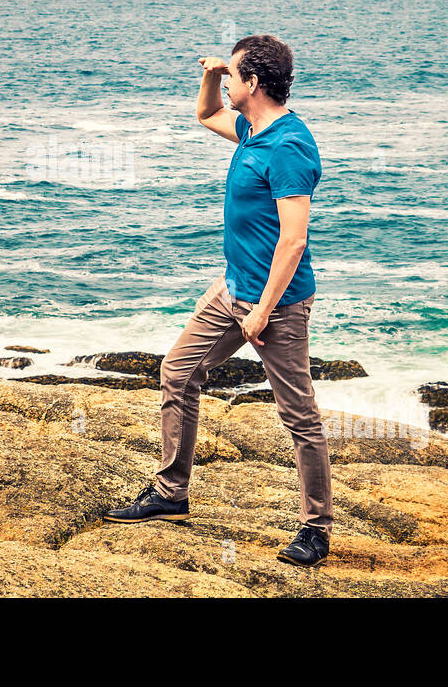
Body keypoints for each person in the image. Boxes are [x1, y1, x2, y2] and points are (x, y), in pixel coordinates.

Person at [103, 34, 332, 567]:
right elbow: (206, 114)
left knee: (299, 416)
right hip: (230, 291)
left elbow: (294, 240)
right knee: (177, 373)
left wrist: (263, 310)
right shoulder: (253, 127)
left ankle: (316, 530)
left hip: (276, 305)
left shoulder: (290, 147)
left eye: (232, 75)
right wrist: (211, 72)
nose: (226, 82)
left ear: (252, 84)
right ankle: (170, 494)